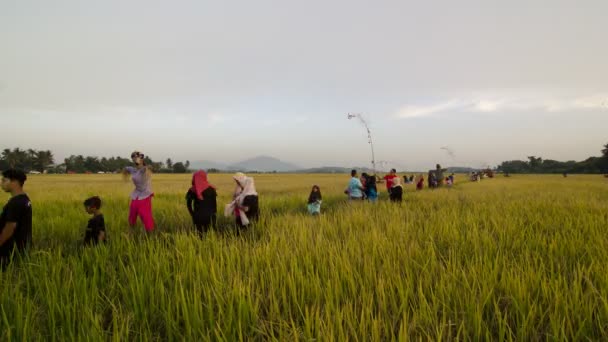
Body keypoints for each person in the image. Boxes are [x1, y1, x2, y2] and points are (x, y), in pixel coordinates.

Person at [0, 169, 32, 268]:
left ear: (14, 182)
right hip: (20, 247)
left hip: (10, 249)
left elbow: (10, 228)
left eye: (4, 180)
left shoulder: (15, 203)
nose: (1, 183)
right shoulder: (24, 198)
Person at [122, 151, 155, 233]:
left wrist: (143, 165)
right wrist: (125, 173)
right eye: (133, 158)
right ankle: (132, 231)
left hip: (145, 195)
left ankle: (150, 234)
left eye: (136, 157)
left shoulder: (144, 169)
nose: (134, 159)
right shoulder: (133, 170)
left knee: (145, 215)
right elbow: (126, 168)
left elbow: (149, 168)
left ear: (141, 159)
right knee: (132, 213)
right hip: (136, 194)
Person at [186, 170, 217, 235]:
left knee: (199, 235)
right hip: (211, 216)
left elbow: (188, 204)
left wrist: (192, 214)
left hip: (198, 216)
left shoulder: (192, 190)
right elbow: (214, 204)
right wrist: (214, 214)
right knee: (212, 235)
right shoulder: (212, 189)